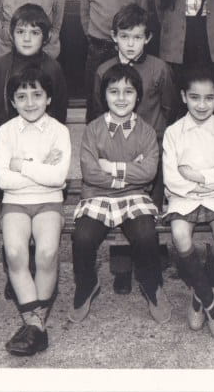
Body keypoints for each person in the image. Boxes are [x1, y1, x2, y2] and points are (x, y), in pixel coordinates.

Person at [70, 64, 170, 325]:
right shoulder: (93, 129)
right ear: (104, 96)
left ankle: (151, 284)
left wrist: (111, 167)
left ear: (138, 96)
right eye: (114, 91)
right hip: (97, 196)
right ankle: (86, 284)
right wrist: (127, 173)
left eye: (128, 91)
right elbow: (90, 172)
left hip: (135, 197)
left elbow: (148, 172)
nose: (121, 98)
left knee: (146, 235)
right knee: (82, 237)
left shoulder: (146, 132)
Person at [89, 3, 176, 294]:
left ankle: (151, 261)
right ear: (114, 36)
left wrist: (154, 144)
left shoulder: (159, 69)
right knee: (118, 202)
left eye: (137, 37)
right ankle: (122, 267)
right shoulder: (104, 71)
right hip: (116, 150)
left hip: (152, 151)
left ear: (147, 38)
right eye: (124, 36)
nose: (130, 44)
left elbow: (170, 109)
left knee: (149, 210)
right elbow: (97, 114)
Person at [0, 67, 71, 356]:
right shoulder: (6, 132)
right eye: (21, 96)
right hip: (14, 201)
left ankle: (32, 328)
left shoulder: (59, 131)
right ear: (12, 101)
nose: (30, 102)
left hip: (49, 200)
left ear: (48, 98)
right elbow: (3, 180)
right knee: (15, 252)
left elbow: (58, 178)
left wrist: (21, 165)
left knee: (47, 253)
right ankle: (36, 327)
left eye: (37, 95)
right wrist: (41, 167)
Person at [162, 66, 214, 338]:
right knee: (180, 235)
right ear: (183, 97)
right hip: (183, 196)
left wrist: (198, 176)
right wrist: (195, 185)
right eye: (194, 97)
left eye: (209, 98)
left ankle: (198, 296)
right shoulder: (173, 132)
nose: (201, 105)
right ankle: (210, 301)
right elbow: (172, 178)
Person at [0, 4, 68, 135]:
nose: (26, 39)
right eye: (20, 32)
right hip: (9, 138)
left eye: (35, 33)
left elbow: (59, 110)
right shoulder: (0, 67)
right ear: (11, 35)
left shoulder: (53, 68)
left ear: (46, 36)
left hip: (44, 138)